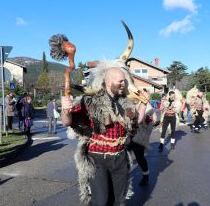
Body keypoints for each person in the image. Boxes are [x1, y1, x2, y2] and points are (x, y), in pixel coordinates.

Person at [61, 67, 147, 205]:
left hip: (120, 158)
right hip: (98, 159)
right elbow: (67, 121)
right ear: (107, 81)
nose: (123, 84)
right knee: (100, 202)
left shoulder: (126, 102)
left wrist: (143, 104)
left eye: (124, 81)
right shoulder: (90, 101)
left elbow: (135, 122)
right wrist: (65, 110)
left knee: (118, 201)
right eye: (120, 81)